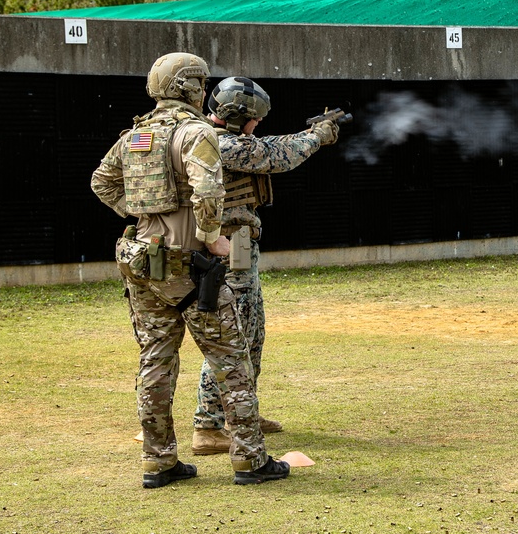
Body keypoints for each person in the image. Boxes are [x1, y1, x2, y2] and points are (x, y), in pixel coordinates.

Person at [90, 54, 289, 487]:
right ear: (190, 88)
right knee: (231, 359)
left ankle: (159, 462)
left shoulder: (136, 135)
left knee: (155, 362)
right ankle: (250, 460)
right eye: (201, 83)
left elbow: (101, 182)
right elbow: (208, 189)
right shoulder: (197, 132)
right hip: (191, 263)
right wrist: (212, 234)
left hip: (144, 260)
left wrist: (145, 216)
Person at [191, 76, 339, 455]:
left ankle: (240, 414)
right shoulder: (216, 142)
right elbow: (275, 156)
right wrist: (317, 137)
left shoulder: (227, 138)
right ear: (238, 117)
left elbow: (265, 145)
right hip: (227, 250)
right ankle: (208, 425)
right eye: (254, 118)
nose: (258, 125)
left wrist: (310, 132)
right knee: (232, 337)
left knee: (253, 333)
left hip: (240, 247)